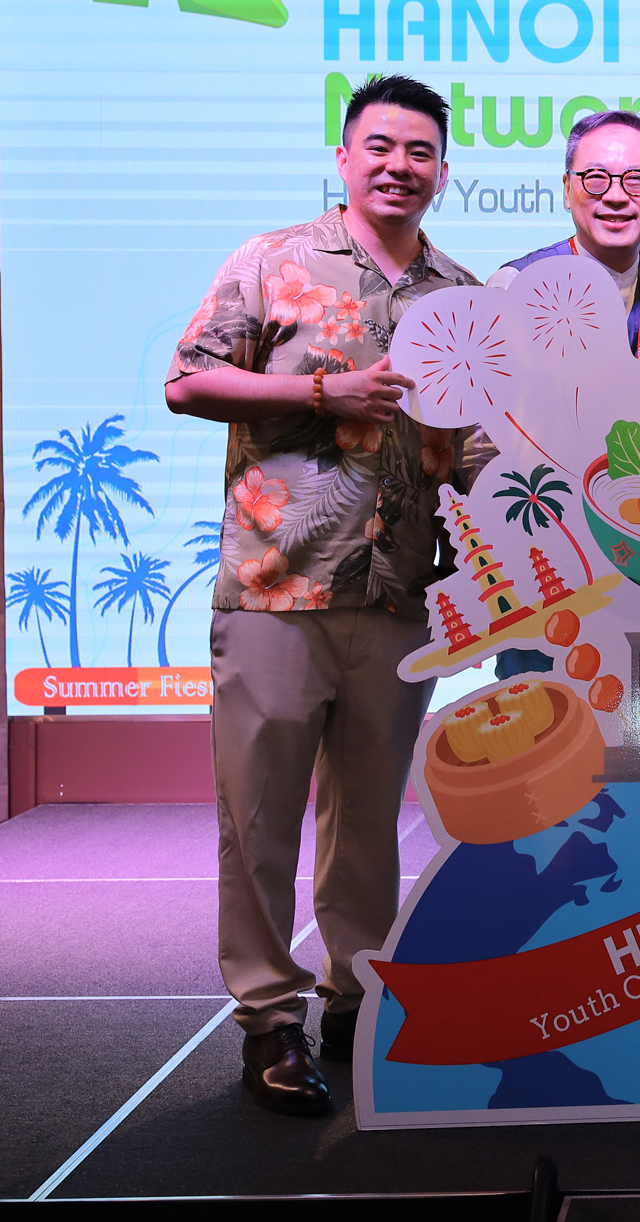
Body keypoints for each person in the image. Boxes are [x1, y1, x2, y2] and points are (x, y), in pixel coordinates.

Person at [166, 75, 482, 1116]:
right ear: (345, 159)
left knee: (370, 819)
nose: (400, 166)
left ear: (443, 169)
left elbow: (472, 446)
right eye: (381, 146)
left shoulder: (460, 294)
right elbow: (188, 381)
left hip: (398, 595)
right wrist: (320, 390)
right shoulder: (273, 261)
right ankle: (269, 1018)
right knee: (258, 820)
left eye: (421, 151)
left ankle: (357, 998)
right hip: (276, 587)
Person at [490, 109, 640, 356]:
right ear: (567, 190)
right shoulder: (515, 286)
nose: (616, 197)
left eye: (635, 179)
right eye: (595, 177)